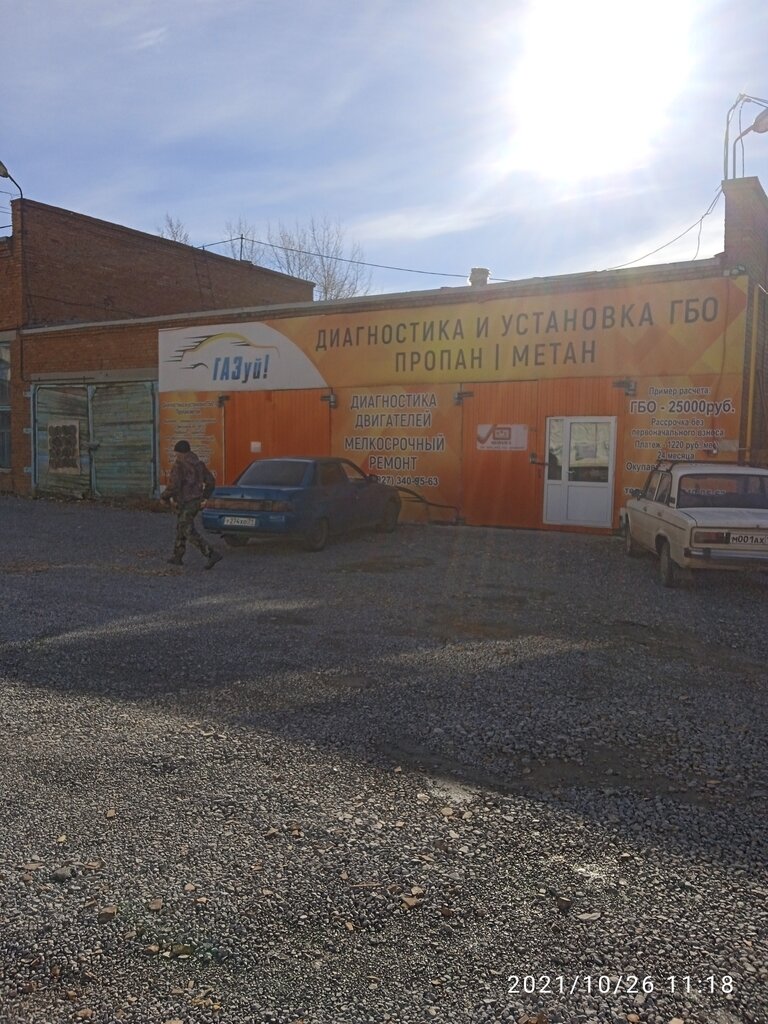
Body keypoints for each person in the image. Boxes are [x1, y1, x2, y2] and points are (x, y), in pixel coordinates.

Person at [160, 440, 222, 569]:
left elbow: (174, 486)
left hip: (185, 502)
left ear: (180, 453)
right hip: (196, 501)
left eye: (176, 453)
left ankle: (211, 554)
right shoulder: (199, 464)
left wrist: (164, 497)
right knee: (181, 526)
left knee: (187, 530)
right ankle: (178, 556)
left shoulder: (179, 465)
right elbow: (211, 481)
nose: (176, 456)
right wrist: (205, 496)